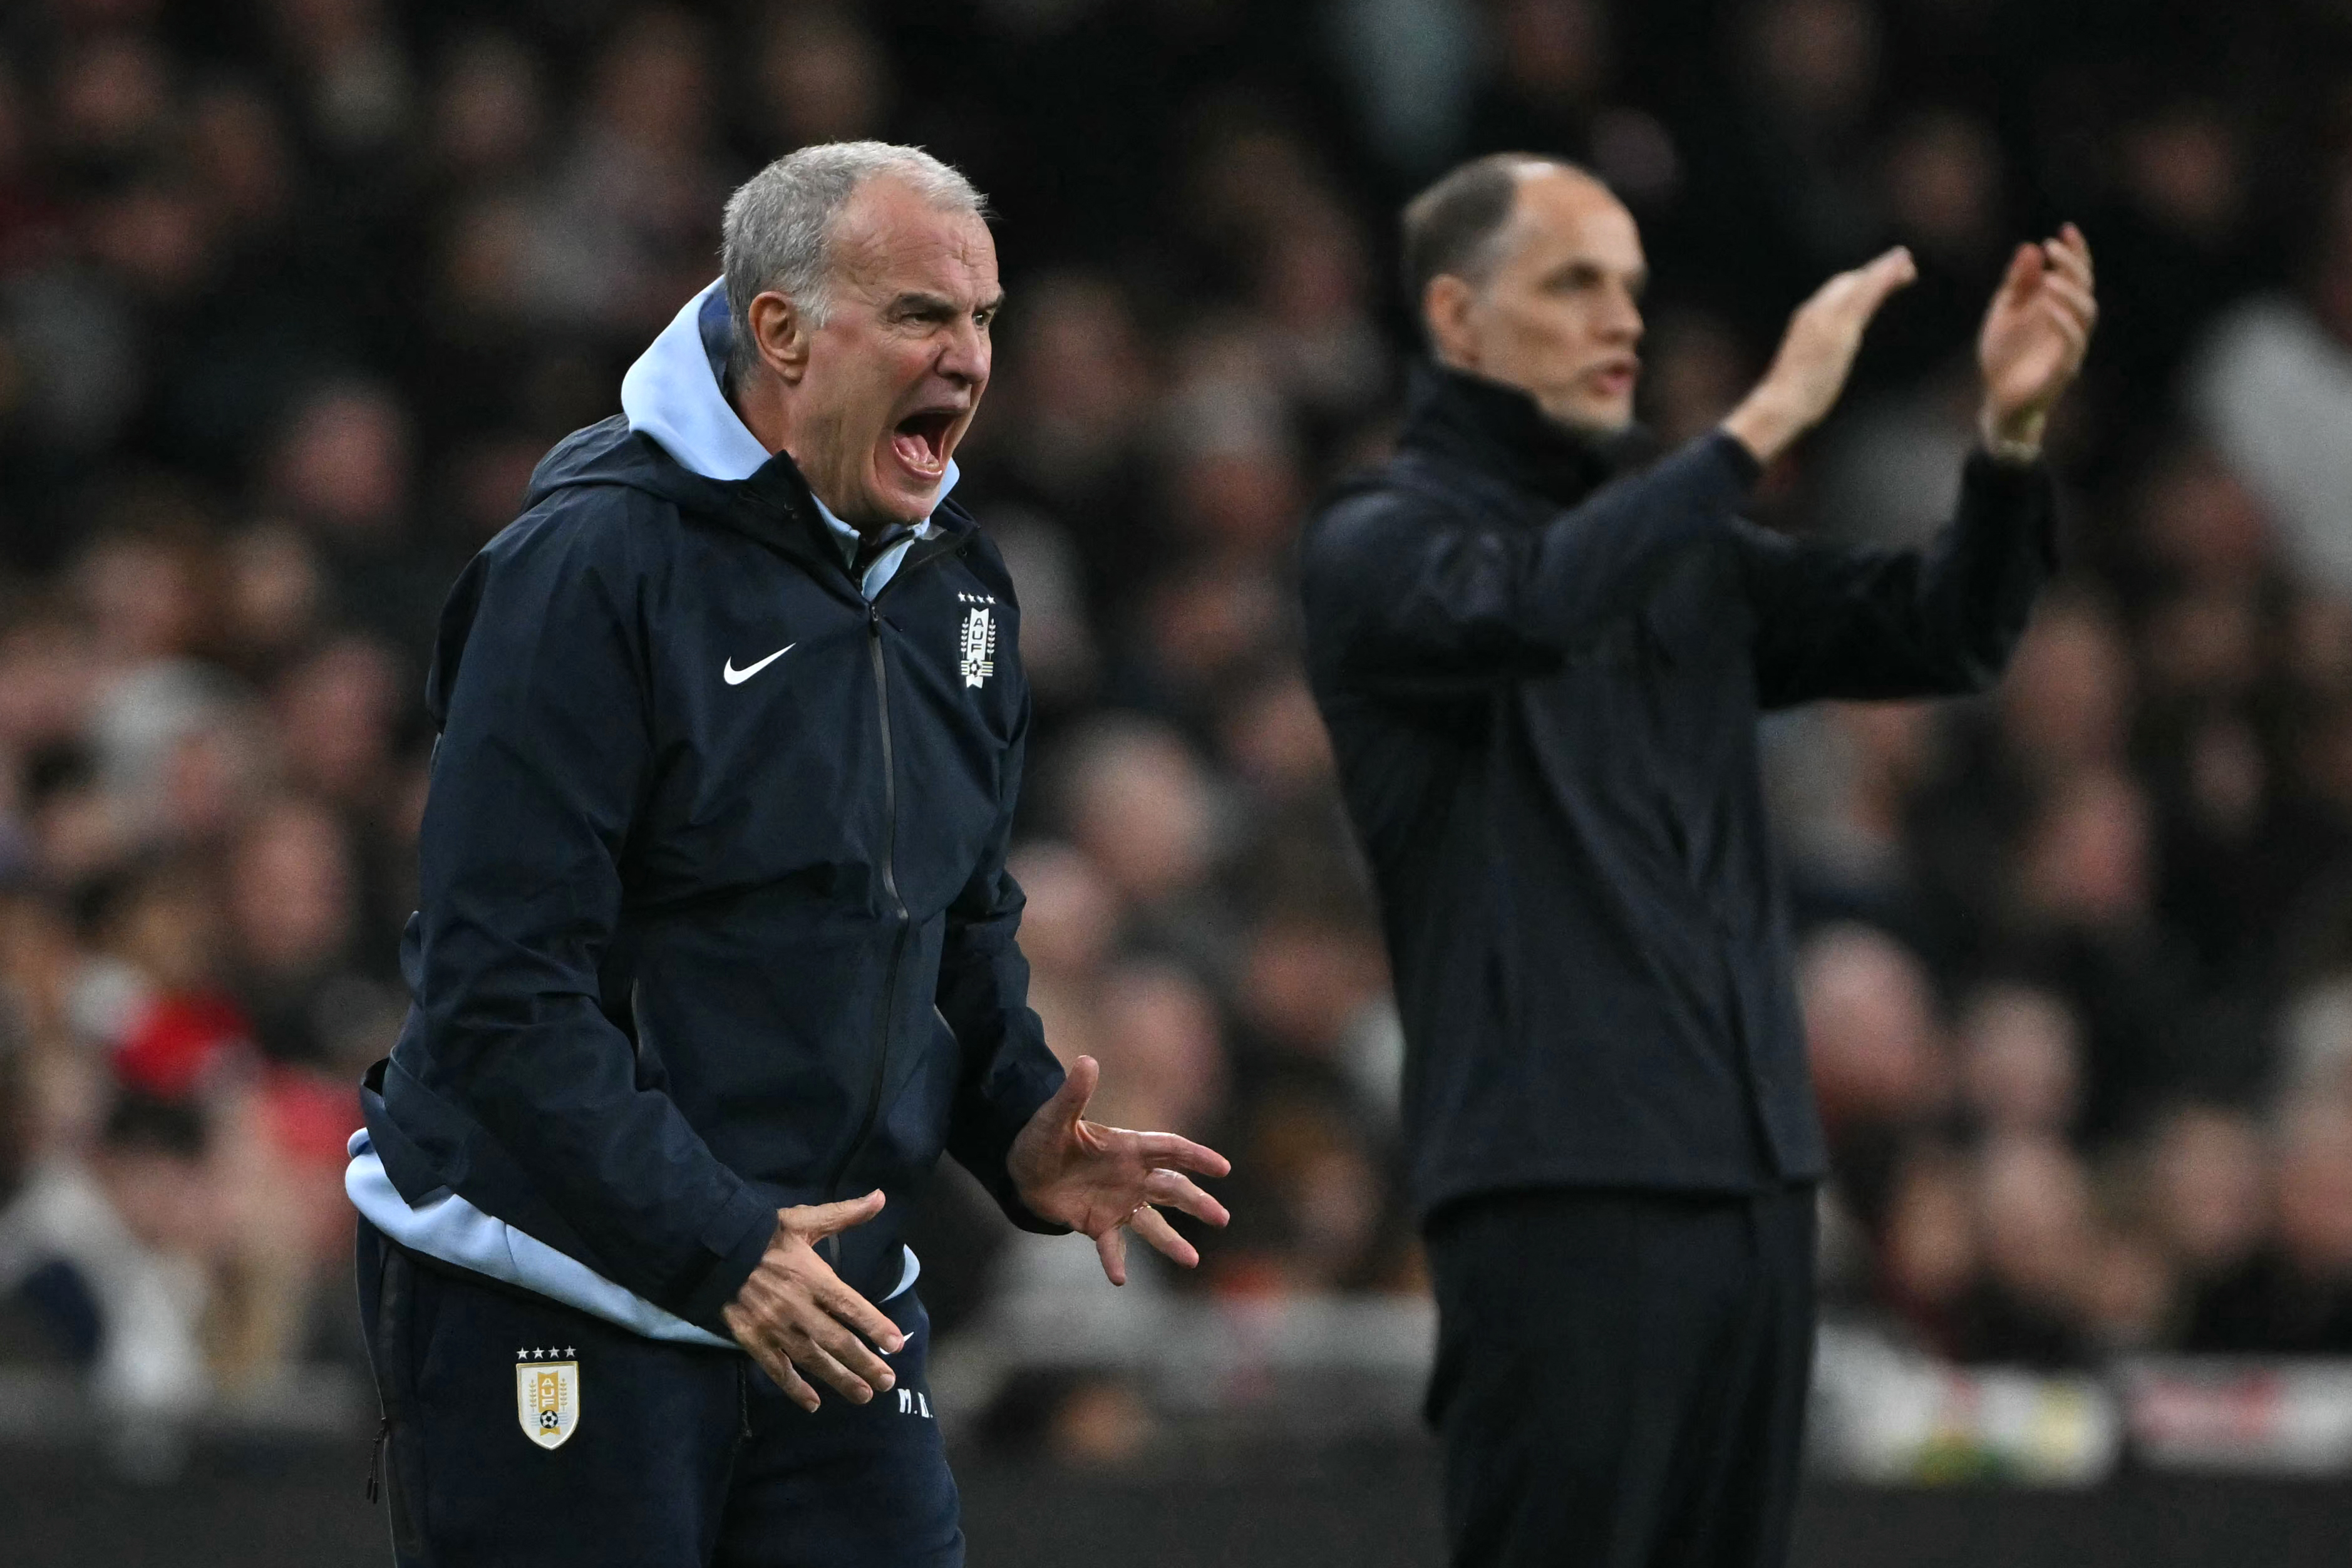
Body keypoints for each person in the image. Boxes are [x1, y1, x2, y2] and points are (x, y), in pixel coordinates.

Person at [346, 142, 1230, 1567]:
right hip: (559, 1284)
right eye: (923, 316)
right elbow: (498, 996)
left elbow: (954, 921)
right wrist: (720, 1245)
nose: (970, 359)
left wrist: (1013, 1120)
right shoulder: (587, 572)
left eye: (985, 319)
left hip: (828, 1300)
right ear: (782, 332)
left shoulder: (960, 587)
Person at [1297, 153, 2096, 1568]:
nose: (1622, 318)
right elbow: (1532, 606)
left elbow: (1943, 629)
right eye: (1574, 282)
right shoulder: (1380, 546)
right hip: (1560, 1187)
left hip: (1757, 1182)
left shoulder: (1685, 556)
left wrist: (2012, 443)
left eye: (1632, 289)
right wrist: (1764, 419)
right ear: (1458, 319)